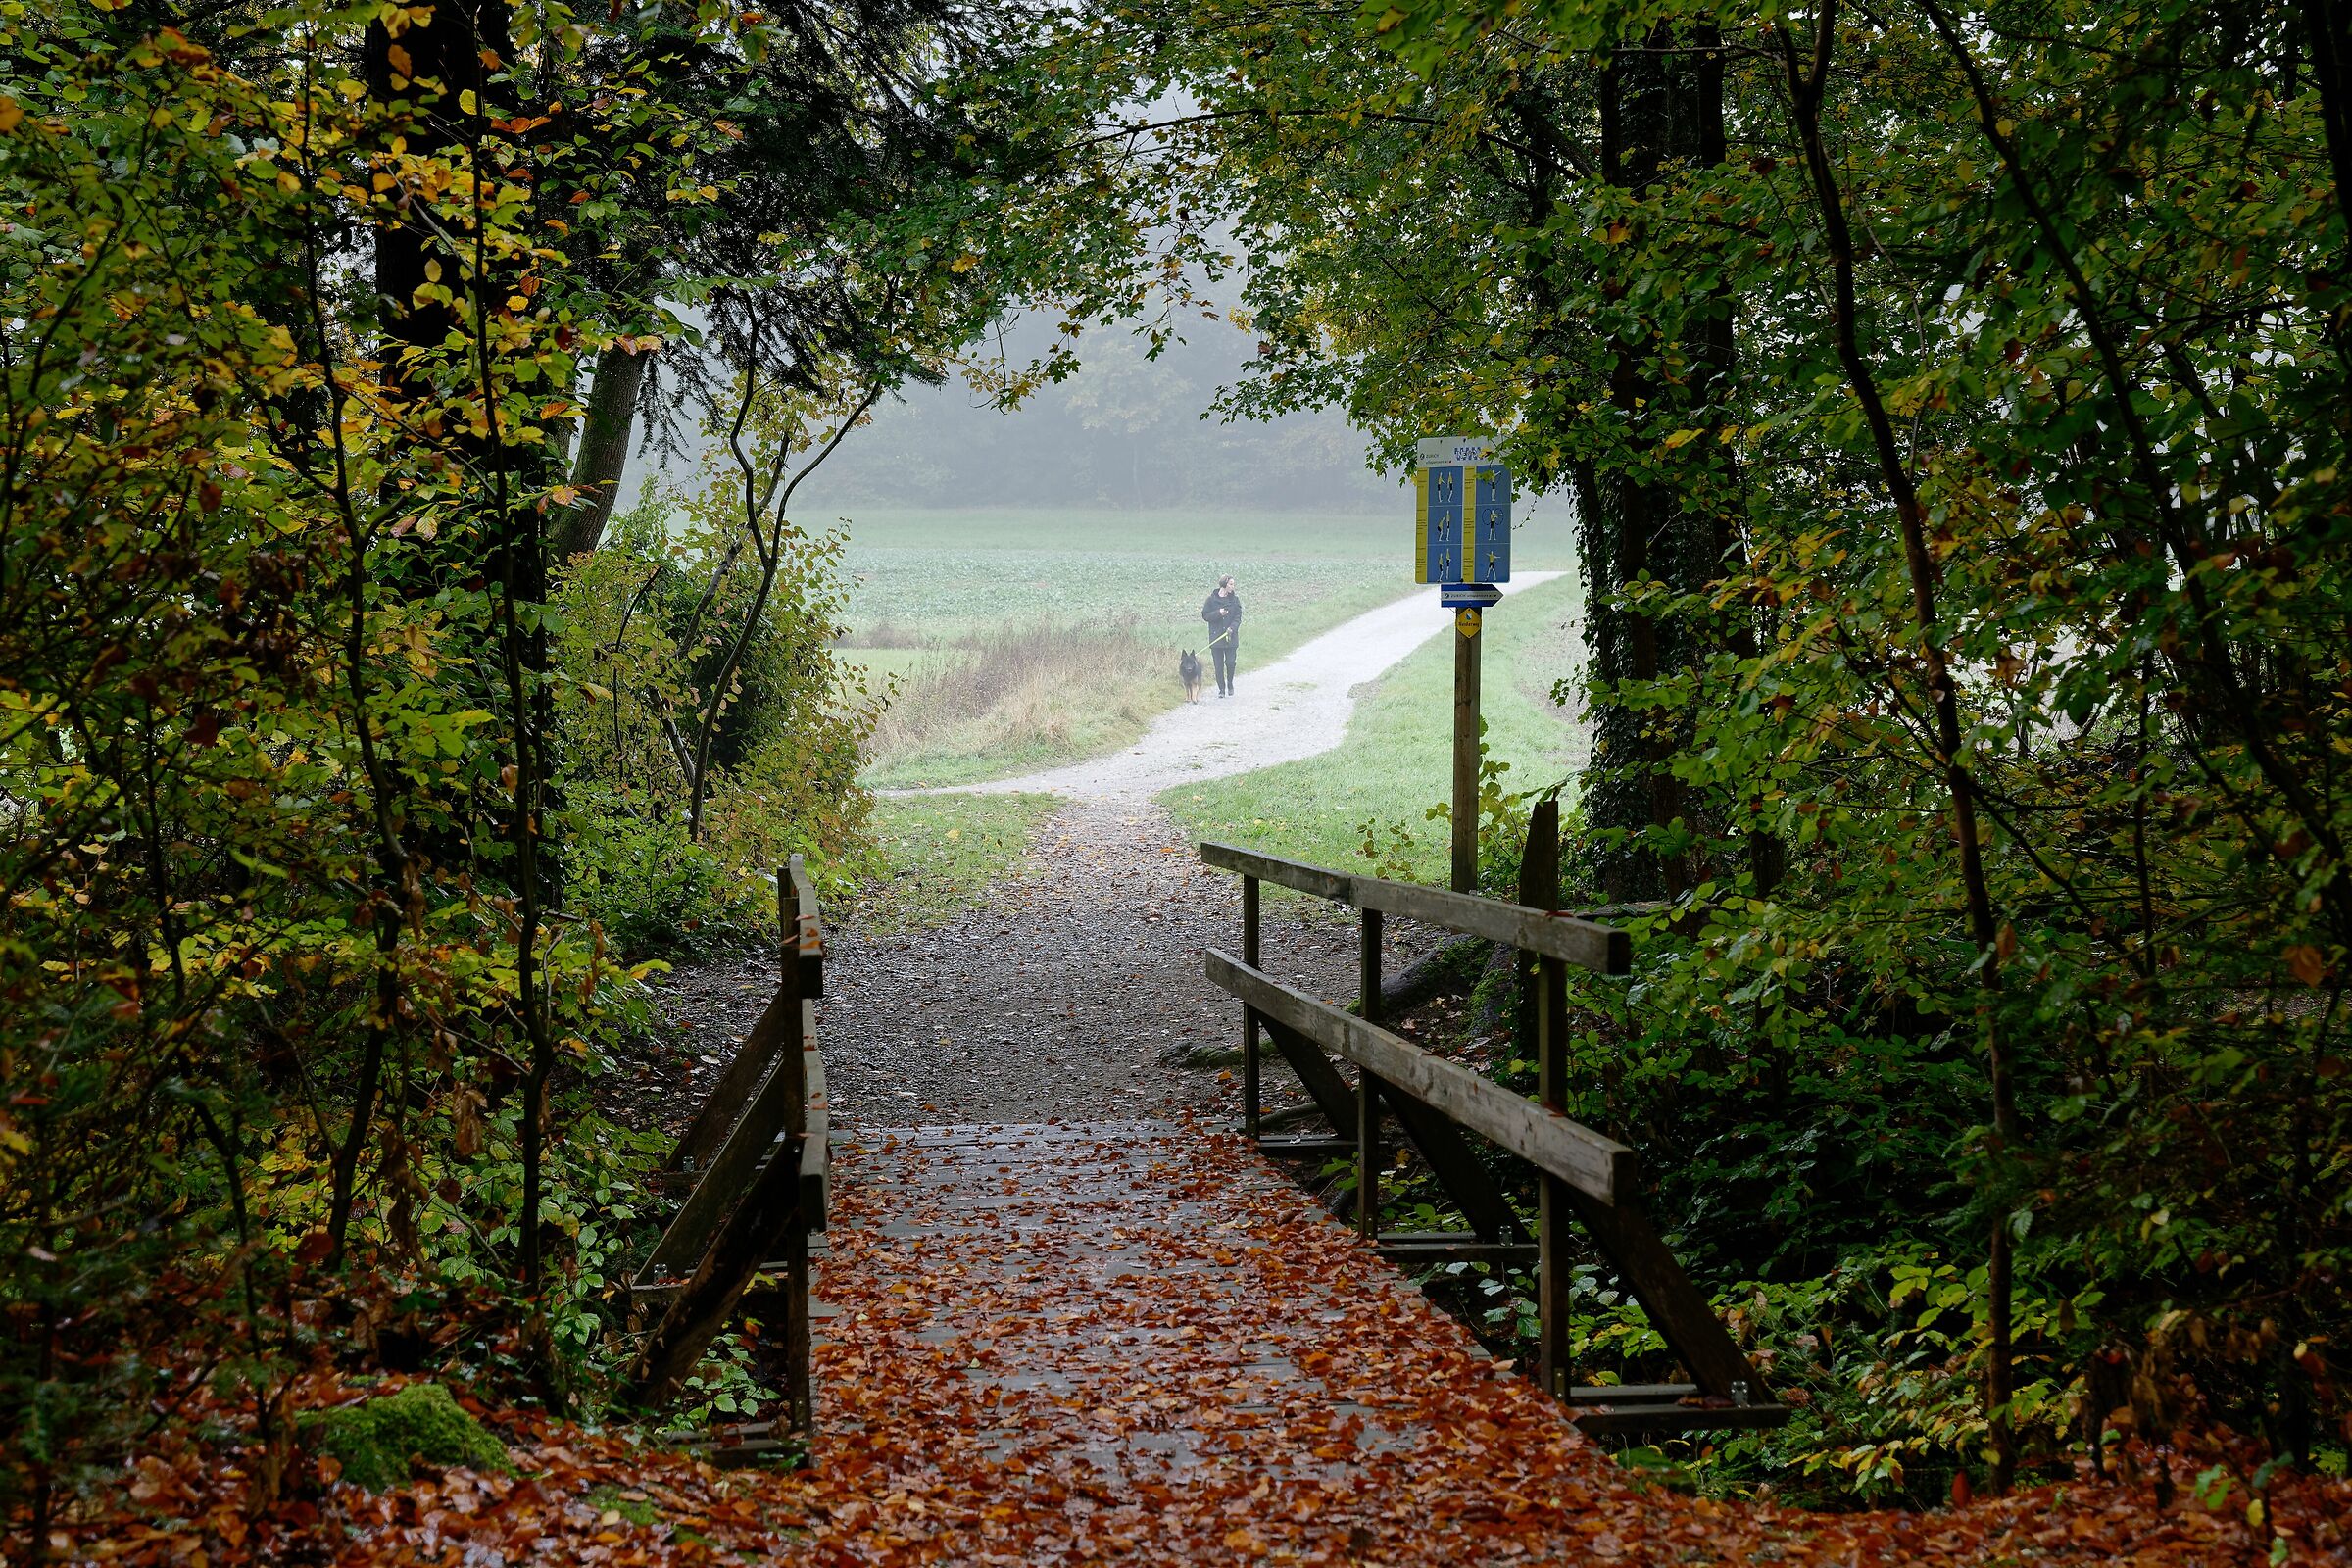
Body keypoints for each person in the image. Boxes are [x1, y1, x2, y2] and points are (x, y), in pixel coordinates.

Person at [1200, 575, 1243, 697]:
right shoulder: (1211, 600)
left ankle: (1230, 683)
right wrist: (1218, 613)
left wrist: (1232, 628)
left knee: (1230, 662)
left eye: (1233, 584)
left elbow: (1237, 617)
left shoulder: (1235, 600)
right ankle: (1221, 690)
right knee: (1218, 666)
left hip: (1231, 637)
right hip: (1216, 638)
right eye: (1231, 584)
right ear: (1224, 584)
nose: (1232, 587)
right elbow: (1206, 616)